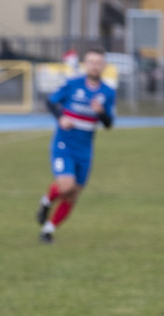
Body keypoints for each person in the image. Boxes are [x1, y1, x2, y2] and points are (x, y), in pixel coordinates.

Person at [36, 48, 116, 243]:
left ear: (103, 66)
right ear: (85, 64)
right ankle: (46, 201)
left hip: (85, 149)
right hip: (64, 143)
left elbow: (108, 124)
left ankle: (48, 230)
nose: (95, 66)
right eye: (91, 62)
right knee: (66, 186)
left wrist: (101, 112)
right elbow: (50, 102)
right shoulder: (72, 84)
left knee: (73, 194)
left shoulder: (108, 92)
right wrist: (60, 118)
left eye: (99, 62)